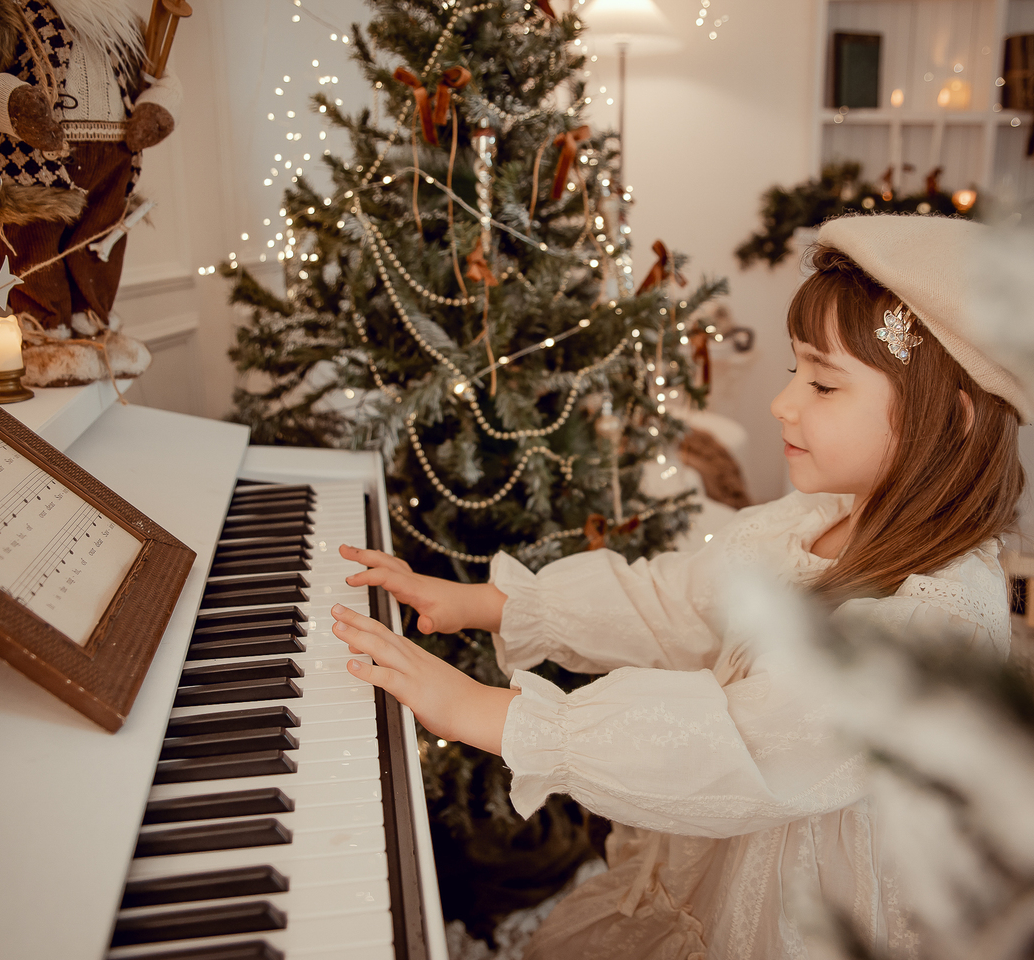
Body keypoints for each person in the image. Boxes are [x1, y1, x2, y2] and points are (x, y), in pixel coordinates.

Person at [330, 213, 1030, 959]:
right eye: (797, 371)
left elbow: (740, 745)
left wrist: (494, 715)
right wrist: (493, 603)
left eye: (823, 383)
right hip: (718, 866)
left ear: (949, 421)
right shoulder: (814, 520)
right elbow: (674, 599)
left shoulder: (936, 628)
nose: (783, 403)